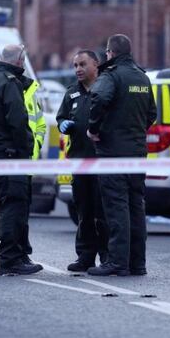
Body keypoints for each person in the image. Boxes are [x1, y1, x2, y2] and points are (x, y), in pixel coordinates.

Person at [86, 35, 157, 276]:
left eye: (106, 53)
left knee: (116, 208)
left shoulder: (111, 75)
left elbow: (99, 98)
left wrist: (94, 129)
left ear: (111, 52)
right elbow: (151, 113)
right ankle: (137, 263)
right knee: (136, 206)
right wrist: (135, 132)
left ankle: (117, 262)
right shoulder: (142, 77)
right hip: (137, 152)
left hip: (113, 153)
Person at [0, 44, 42, 275]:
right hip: (10, 156)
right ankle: (11, 260)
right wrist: (26, 151)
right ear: (19, 61)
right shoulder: (9, 83)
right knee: (13, 207)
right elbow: (18, 122)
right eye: (23, 61)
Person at [56, 50, 109, 272]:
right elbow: (61, 117)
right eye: (75, 65)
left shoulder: (106, 89)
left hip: (101, 161)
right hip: (79, 162)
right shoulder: (71, 94)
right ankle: (85, 256)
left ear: (95, 64)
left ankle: (107, 257)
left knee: (103, 211)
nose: (77, 69)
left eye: (82, 64)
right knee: (83, 211)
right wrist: (62, 124)